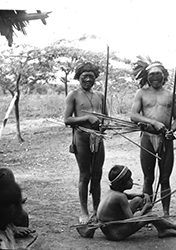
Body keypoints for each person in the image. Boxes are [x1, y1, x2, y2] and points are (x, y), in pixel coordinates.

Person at [76, 165, 176, 241]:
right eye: (129, 180)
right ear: (122, 184)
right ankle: (172, 227)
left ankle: (162, 229)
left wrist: (142, 195)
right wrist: (146, 208)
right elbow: (132, 220)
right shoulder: (120, 198)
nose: (132, 181)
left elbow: (129, 196)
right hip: (115, 233)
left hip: (109, 229)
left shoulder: (113, 192)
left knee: (137, 200)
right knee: (151, 216)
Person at [130, 60, 176, 217]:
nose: (155, 77)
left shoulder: (170, 95)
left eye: (158, 74)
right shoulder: (142, 94)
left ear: (164, 75)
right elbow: (133, 115)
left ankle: (166, 214)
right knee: (148, 178)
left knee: (165, 178)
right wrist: (153, 122)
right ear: (147, 76)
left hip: (165, 139)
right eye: (152, 74)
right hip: (148, 137)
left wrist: (172, 130)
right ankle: (147, 214)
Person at [64, 62, 108, 224]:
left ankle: (97, 211)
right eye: (84, 76)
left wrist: (105, 125)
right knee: (85, 175)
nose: (88, 79)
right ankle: (84, 212)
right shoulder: (73, 95)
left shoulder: (100, 96)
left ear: (95, 78)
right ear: (78, 77)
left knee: (97, 175)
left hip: (98, 138)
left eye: (91, 76)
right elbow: (67, 120)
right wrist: (87, 118)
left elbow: (106, 118)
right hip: (82, 138)